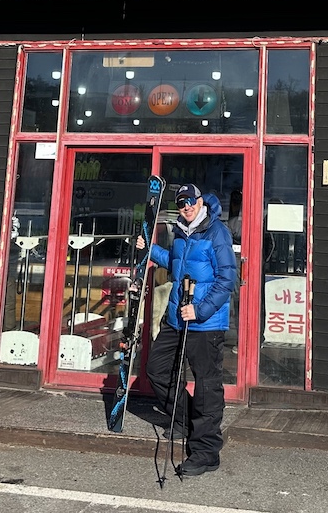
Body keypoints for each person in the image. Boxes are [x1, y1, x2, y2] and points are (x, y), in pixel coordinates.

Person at [137, 183, 236, 477]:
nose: (186, 207)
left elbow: (227, 277)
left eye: (190, 201)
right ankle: (189, 420)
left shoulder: (216, 232)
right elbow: (176, 263)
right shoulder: (181, 231)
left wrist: (201, 309)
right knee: (156, 369)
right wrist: (151, 249)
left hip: (205, 322)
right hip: (177, 317)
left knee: (206, 386)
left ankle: (206, 452)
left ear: (200, 201)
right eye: (181, 203)